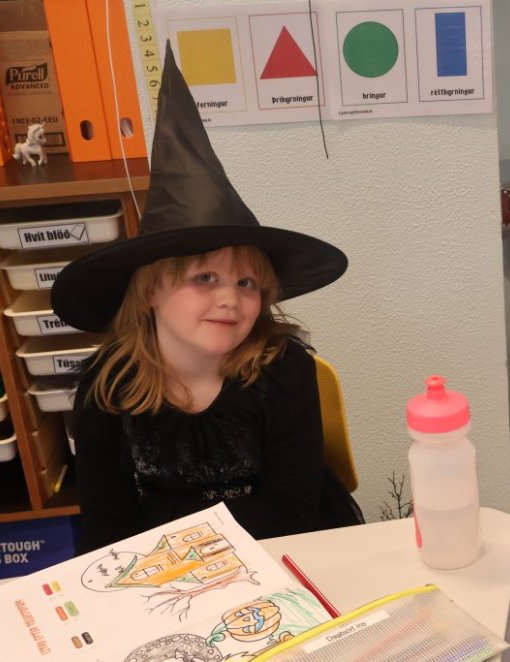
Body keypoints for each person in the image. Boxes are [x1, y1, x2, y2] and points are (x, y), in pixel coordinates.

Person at [52, 48, 361, 554]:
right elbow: (107, 527)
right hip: (159, 565)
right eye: (205, 278)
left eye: (247, 284)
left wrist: (179, 537)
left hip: (279, 549)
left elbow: (291, 510)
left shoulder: (283, 371)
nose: (230, 299)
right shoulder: (107, 390)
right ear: (150, 292)